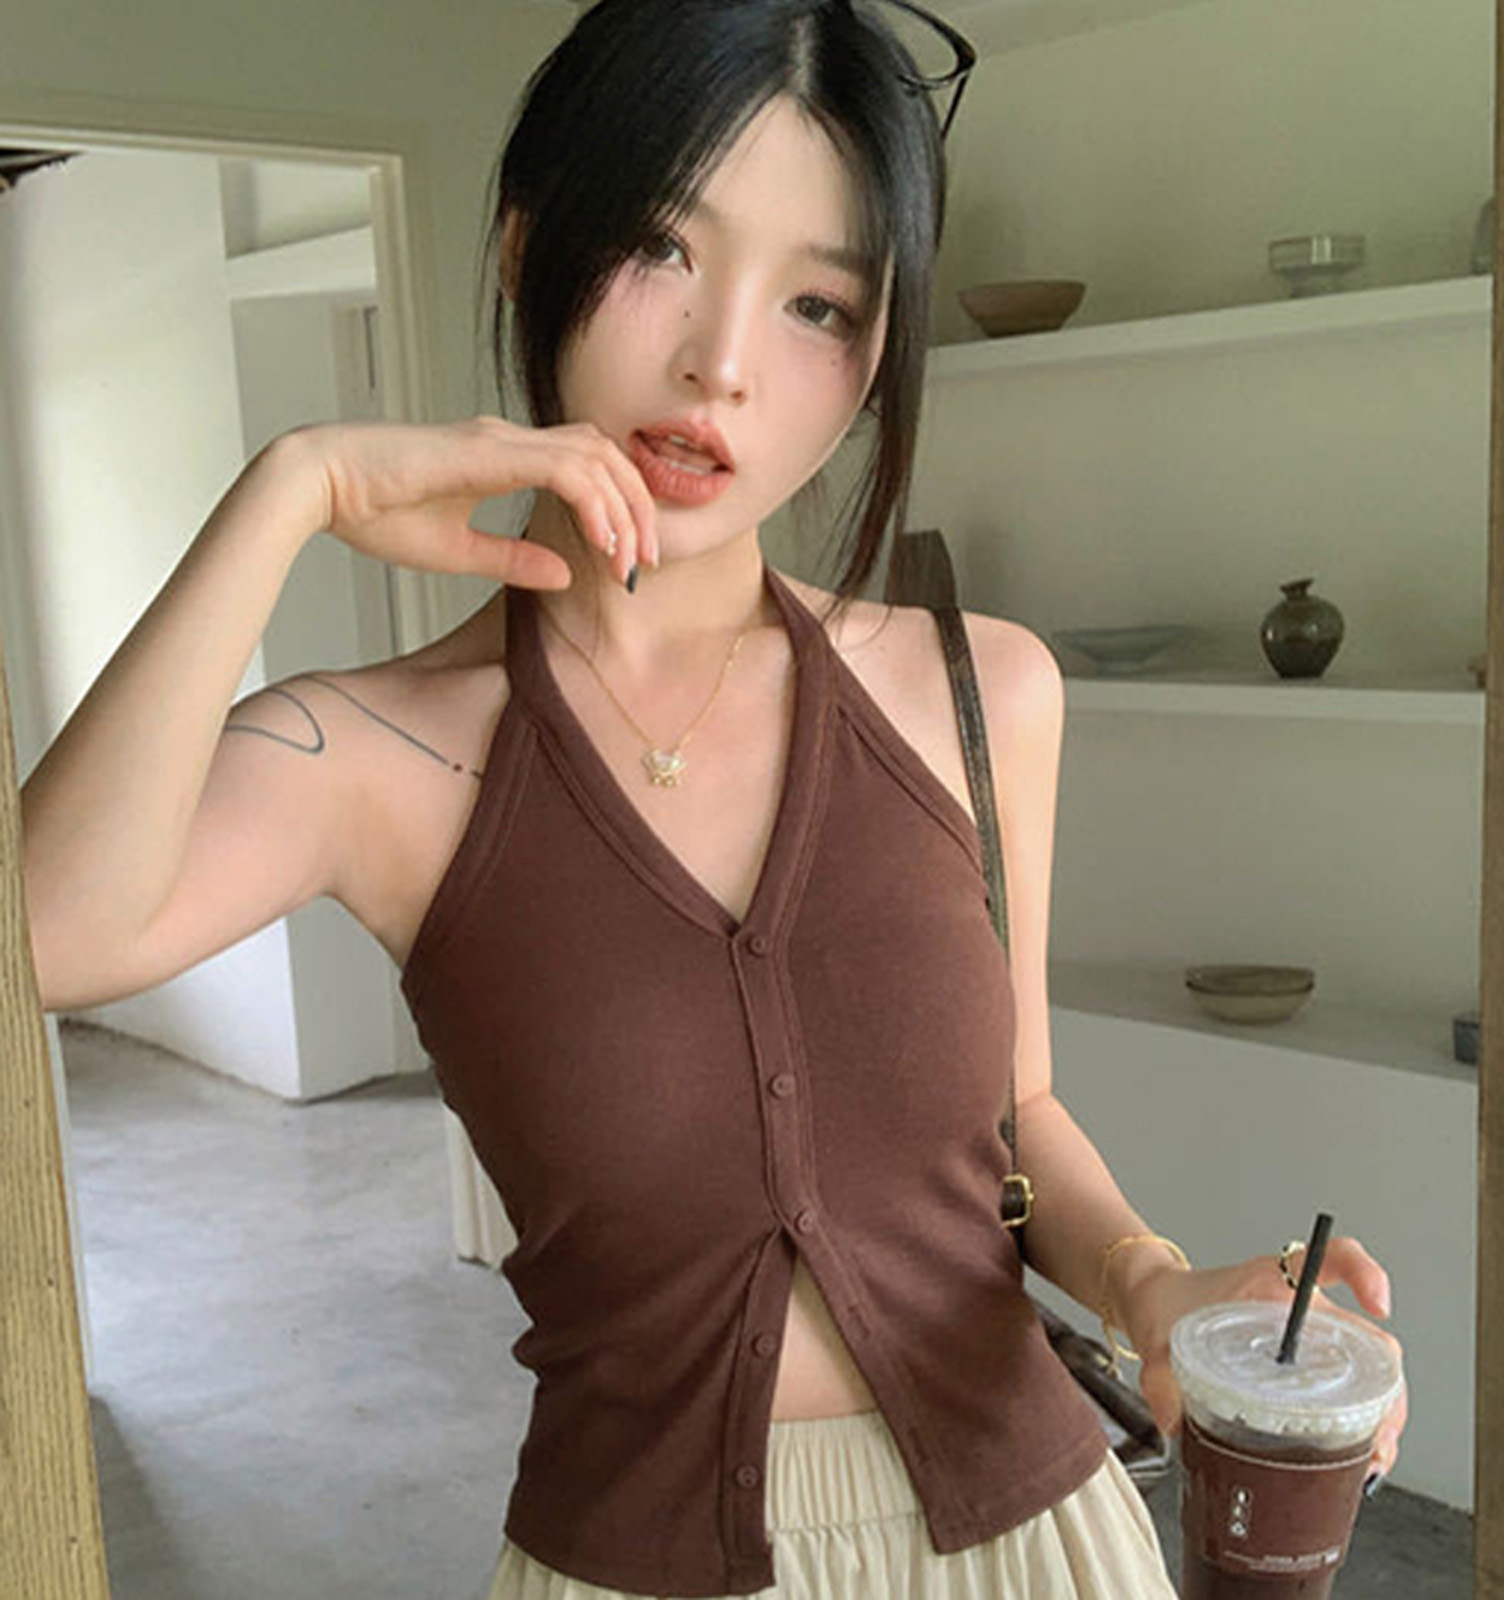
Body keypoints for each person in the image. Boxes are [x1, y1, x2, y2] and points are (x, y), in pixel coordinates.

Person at [20, 1, 1408, 1596]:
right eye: (660, 249)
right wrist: (289, 492)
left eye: (818, 303)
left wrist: (1156, 1289)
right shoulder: (381, 758)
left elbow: (1016, 1117)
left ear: (872, 356)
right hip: (639, 1560)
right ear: (527, 248)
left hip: (1040, 1541)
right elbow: (48, 935)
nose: (723, 363)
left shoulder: (980, 691)